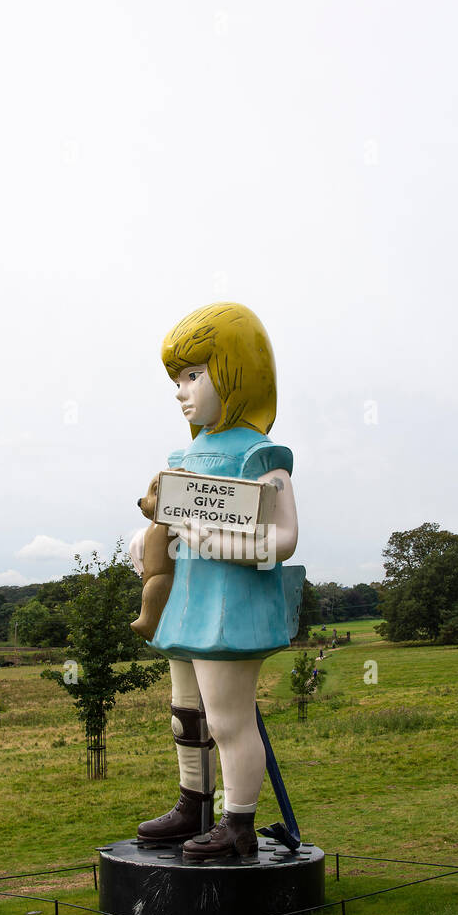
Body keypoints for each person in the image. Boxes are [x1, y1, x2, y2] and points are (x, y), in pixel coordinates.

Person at [128, 303, 302, 862]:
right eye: (177, 379)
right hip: (185, 603)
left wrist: (214, 542)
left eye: (193, 375)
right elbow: (170, 514)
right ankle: (192, 804)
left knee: (229, 719)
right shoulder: (185, 455)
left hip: (232, 606)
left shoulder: (260, 456)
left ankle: (238, 822)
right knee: (187, 715)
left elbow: (283, 539)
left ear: (237, 372)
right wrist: (145, 537)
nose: (181, 391)